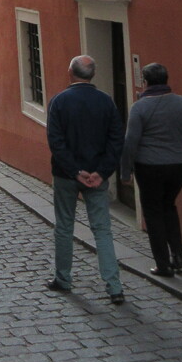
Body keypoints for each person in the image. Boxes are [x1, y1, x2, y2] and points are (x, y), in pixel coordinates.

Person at [45, 54, 126, 304]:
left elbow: (56, 142)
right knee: (102, 230)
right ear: (93, 75)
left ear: (71, 72)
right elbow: (116, 140)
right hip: (97, 177)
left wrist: (75, 170)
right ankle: (114, 287)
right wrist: (101, 172)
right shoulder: (106, 102)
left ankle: (63, 278)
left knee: (64, 227)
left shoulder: (59, 102)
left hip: (66, 175)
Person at [120, 62, 182, 276]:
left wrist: (125, 170)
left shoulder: (139, 107)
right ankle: (178, 256)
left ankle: (163, 264)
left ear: (146, 82)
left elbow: (131, 141)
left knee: (153, 212)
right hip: (180, 165)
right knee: (169, 206)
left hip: (149, 166)